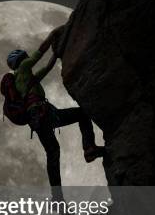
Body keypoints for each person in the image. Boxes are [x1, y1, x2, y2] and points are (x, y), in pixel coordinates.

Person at [6, 26, 105, 199]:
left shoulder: (28, 80)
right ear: (21, 60)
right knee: (82, 115)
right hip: (44, 115)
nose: (28, 58)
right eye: (25, 58)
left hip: (39, 119)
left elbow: (48, 65)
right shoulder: (22, 70)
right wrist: (55, 34)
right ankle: (89, 147)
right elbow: (41, 52)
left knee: (53, 152)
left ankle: (57, 198)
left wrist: (57, 53)